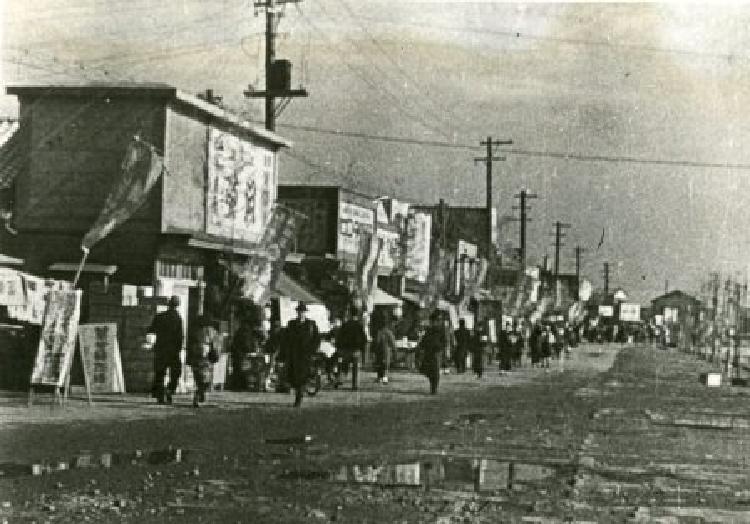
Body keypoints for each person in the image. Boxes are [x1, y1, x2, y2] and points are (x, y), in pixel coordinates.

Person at [147, 295, 184, 405]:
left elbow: (150, 330)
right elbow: (180, 336)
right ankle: (169, 390)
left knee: (160, 373)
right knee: (175, 373)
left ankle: (159, 395)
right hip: (173, 351)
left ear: (169, 304)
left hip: (160, 349)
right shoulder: (178, 319)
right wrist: (178, 349)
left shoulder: (160, 317)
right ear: (177, 305)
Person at [284, 302, 320, 407]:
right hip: (294, 354)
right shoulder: (291, 324)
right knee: (294, 377)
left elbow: (316, 339)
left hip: (306, 355)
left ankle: (298, 398)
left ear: (305, 313)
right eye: (299, 312)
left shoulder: (311, 324)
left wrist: (312, 350)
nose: (301, 314)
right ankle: (298, 394)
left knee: (302, 376)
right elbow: (286, 339)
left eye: (303, 312)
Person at [186, 315, 219, 408]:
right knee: (206, 379)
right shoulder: (211, 331)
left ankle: (199, 394)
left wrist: (189, 358)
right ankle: (200, 394)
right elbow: (215, 346)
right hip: (206, 359)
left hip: (195, 358)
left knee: (198, 378)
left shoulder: (194, 331)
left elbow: (189, 345)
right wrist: (215, 356)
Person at [335, 307, 368, 390]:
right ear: (357, 314)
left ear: (349, 314)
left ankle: (341, 380)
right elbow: (363, 338)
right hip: (355, 350)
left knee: (344, 366)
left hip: (345, 349)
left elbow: (339, 337)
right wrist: (362, 349)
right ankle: (355, 385)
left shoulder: (345, 325)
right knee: (355, 368)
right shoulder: (359, 325)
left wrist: (339, 347)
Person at [418, 311, 447, 393]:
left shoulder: (441, 330)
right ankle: (433, 386)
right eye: (434, 321)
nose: (435, 322)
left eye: (437, 320)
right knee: (428, 370)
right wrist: (422, 347)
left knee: (435, 370)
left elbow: (444, 342)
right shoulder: (429, 330)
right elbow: (423, 341)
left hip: (436, 352)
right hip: (428, 352)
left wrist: (441, 348)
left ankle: (434, 388)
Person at [373, 316, 396, 384]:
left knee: (379, 365)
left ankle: (379, 378)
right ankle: (385, 378)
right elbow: (393, 343)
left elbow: (377, 342)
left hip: (379, 351)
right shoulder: (389, 333)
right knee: (385, 366)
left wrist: (375, 350)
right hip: (387, 351)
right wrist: (394, 350)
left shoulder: (379, 332)